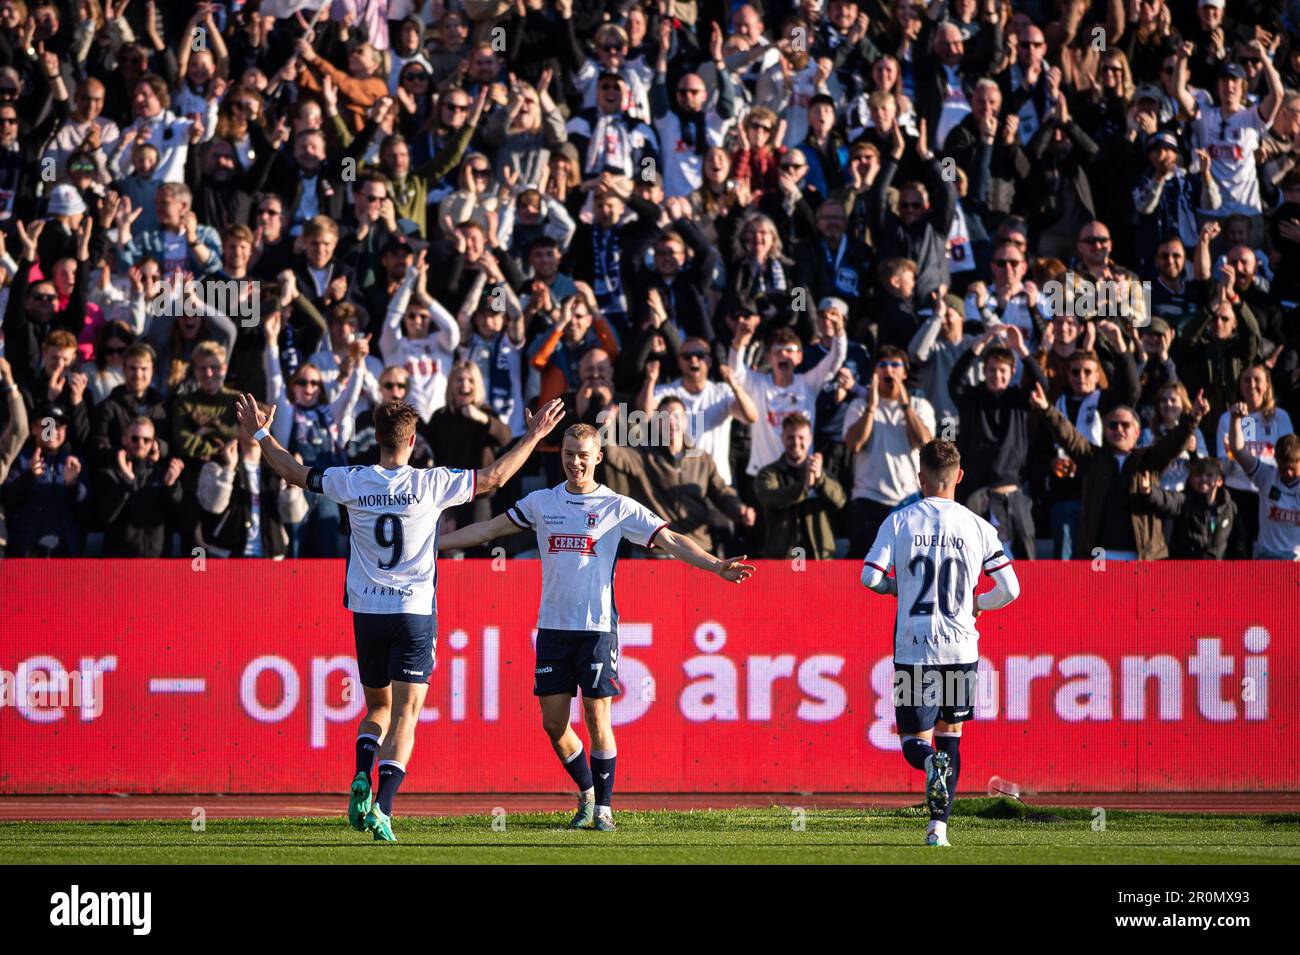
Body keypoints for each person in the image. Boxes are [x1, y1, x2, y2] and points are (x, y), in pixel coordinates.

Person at [234, 392, 566, 841]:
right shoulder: (432, 483)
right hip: (412, 612)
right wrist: (534, 435)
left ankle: (359, 774)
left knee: (377, 709)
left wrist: (260, 432)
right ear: (411, 440)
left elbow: (292, 472)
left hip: (367, 611)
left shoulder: (351, 480)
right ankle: (384, 808)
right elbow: (496, 476)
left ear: (377, 440)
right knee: (406, 716)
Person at [432, 422, 755, 832]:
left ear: (598, 458)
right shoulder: (541, 502)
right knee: (553, 723)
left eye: (583, 455)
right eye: (568, 454)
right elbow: (488, 530)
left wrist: (715, 566)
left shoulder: (617, 506)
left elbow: (671, 541)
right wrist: (433, 546)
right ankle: (586, 791)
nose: (575, 462)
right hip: (552, 628)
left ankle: (602, 808)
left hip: (597, 629)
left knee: (597, 716)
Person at [861, 438, 1021, 847]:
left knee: (916, 742)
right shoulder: (978, 526)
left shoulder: (899, 521)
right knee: (952, 735)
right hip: (961, 647)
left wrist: (899, 589)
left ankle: (930, 765)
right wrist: (978, 603)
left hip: (915, 646)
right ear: (960, 477)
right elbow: (1010, 588)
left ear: (920, 478)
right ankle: (938, 830)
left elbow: (870, 577)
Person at [755, 412, 846, 559]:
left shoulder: (821, 472)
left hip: (819, 557)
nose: (796, 443)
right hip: (782, 558)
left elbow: (840, 501)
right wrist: (804, 487)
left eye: (801, 438)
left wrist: (819, 480)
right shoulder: (769, 473)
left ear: (810, 439)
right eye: (791, 438)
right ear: (782, 438)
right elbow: (768, 498)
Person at [1227, 404, 1300, 560]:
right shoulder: (1266, 475)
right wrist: (1235, 420)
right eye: (1283, 468)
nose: (1288, 473)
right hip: (1267, 557)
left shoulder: (1281, 416)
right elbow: (1238, 450)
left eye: (1293, 468)